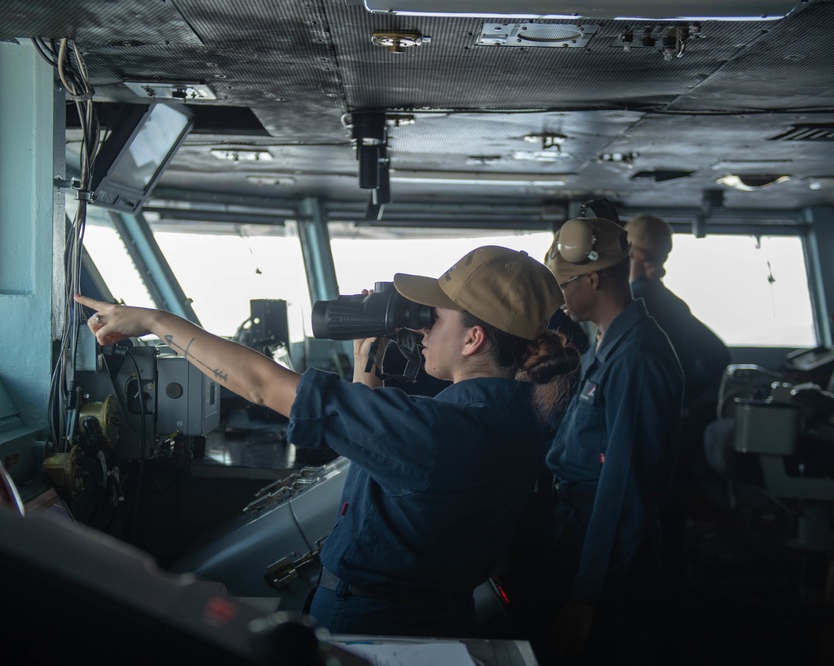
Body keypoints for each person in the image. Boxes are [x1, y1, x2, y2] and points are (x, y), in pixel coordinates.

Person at [75, 245, 576, 639]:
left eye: (435, 315)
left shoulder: (438, 431)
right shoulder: (519, 416)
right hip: (435, 617)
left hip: (373, 620)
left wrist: (155, 322)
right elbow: (385, 457)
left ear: (473, 340)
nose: (421, 325)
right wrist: (366, 363)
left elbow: (262, 384)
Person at [539, 217, 684, 665]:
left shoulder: (636, 356)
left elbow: (623, 487)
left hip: (606, 555)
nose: (562, 297)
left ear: (593, 278)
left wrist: (587, 595)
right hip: (579, 533)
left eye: (565, 283)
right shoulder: (610, 345)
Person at [625, 214, 732, 581]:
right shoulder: (666, 300)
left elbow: (717, 357)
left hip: (654, 435)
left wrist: (678, 403)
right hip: (673, 432)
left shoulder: (638, 304)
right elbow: (719, 355)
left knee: (651, 533)